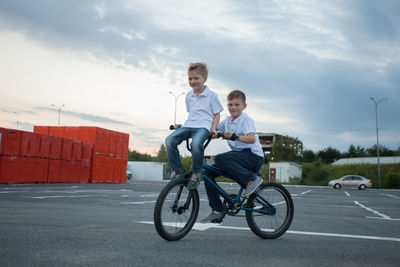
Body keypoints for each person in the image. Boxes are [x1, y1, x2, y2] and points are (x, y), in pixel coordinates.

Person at [200, 90, 264, 223]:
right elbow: (212, 128)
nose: (233, 107)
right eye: (230, 104)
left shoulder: (246, 120)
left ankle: (251, 180)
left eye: (237, 104)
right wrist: (190, 129)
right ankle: (217, 210)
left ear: (244, 106)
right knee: (207, 173)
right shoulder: (227, 121)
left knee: (220, 158)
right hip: (240, 157)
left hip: (253, 156)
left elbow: (251, 139)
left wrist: (235, 136)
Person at [165, 62, 223, 189]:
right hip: (189, 125)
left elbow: (217, 114)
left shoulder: (212, 95)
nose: (193, 81)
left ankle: (197, 172)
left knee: (196, 144)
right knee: (169, 140)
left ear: (204, 78)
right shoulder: (188, 96)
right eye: (190, 78)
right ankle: (178, 170)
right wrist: (181, 126)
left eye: (196, 78)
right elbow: (192, 114)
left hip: (204, 127)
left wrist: (213, 128)